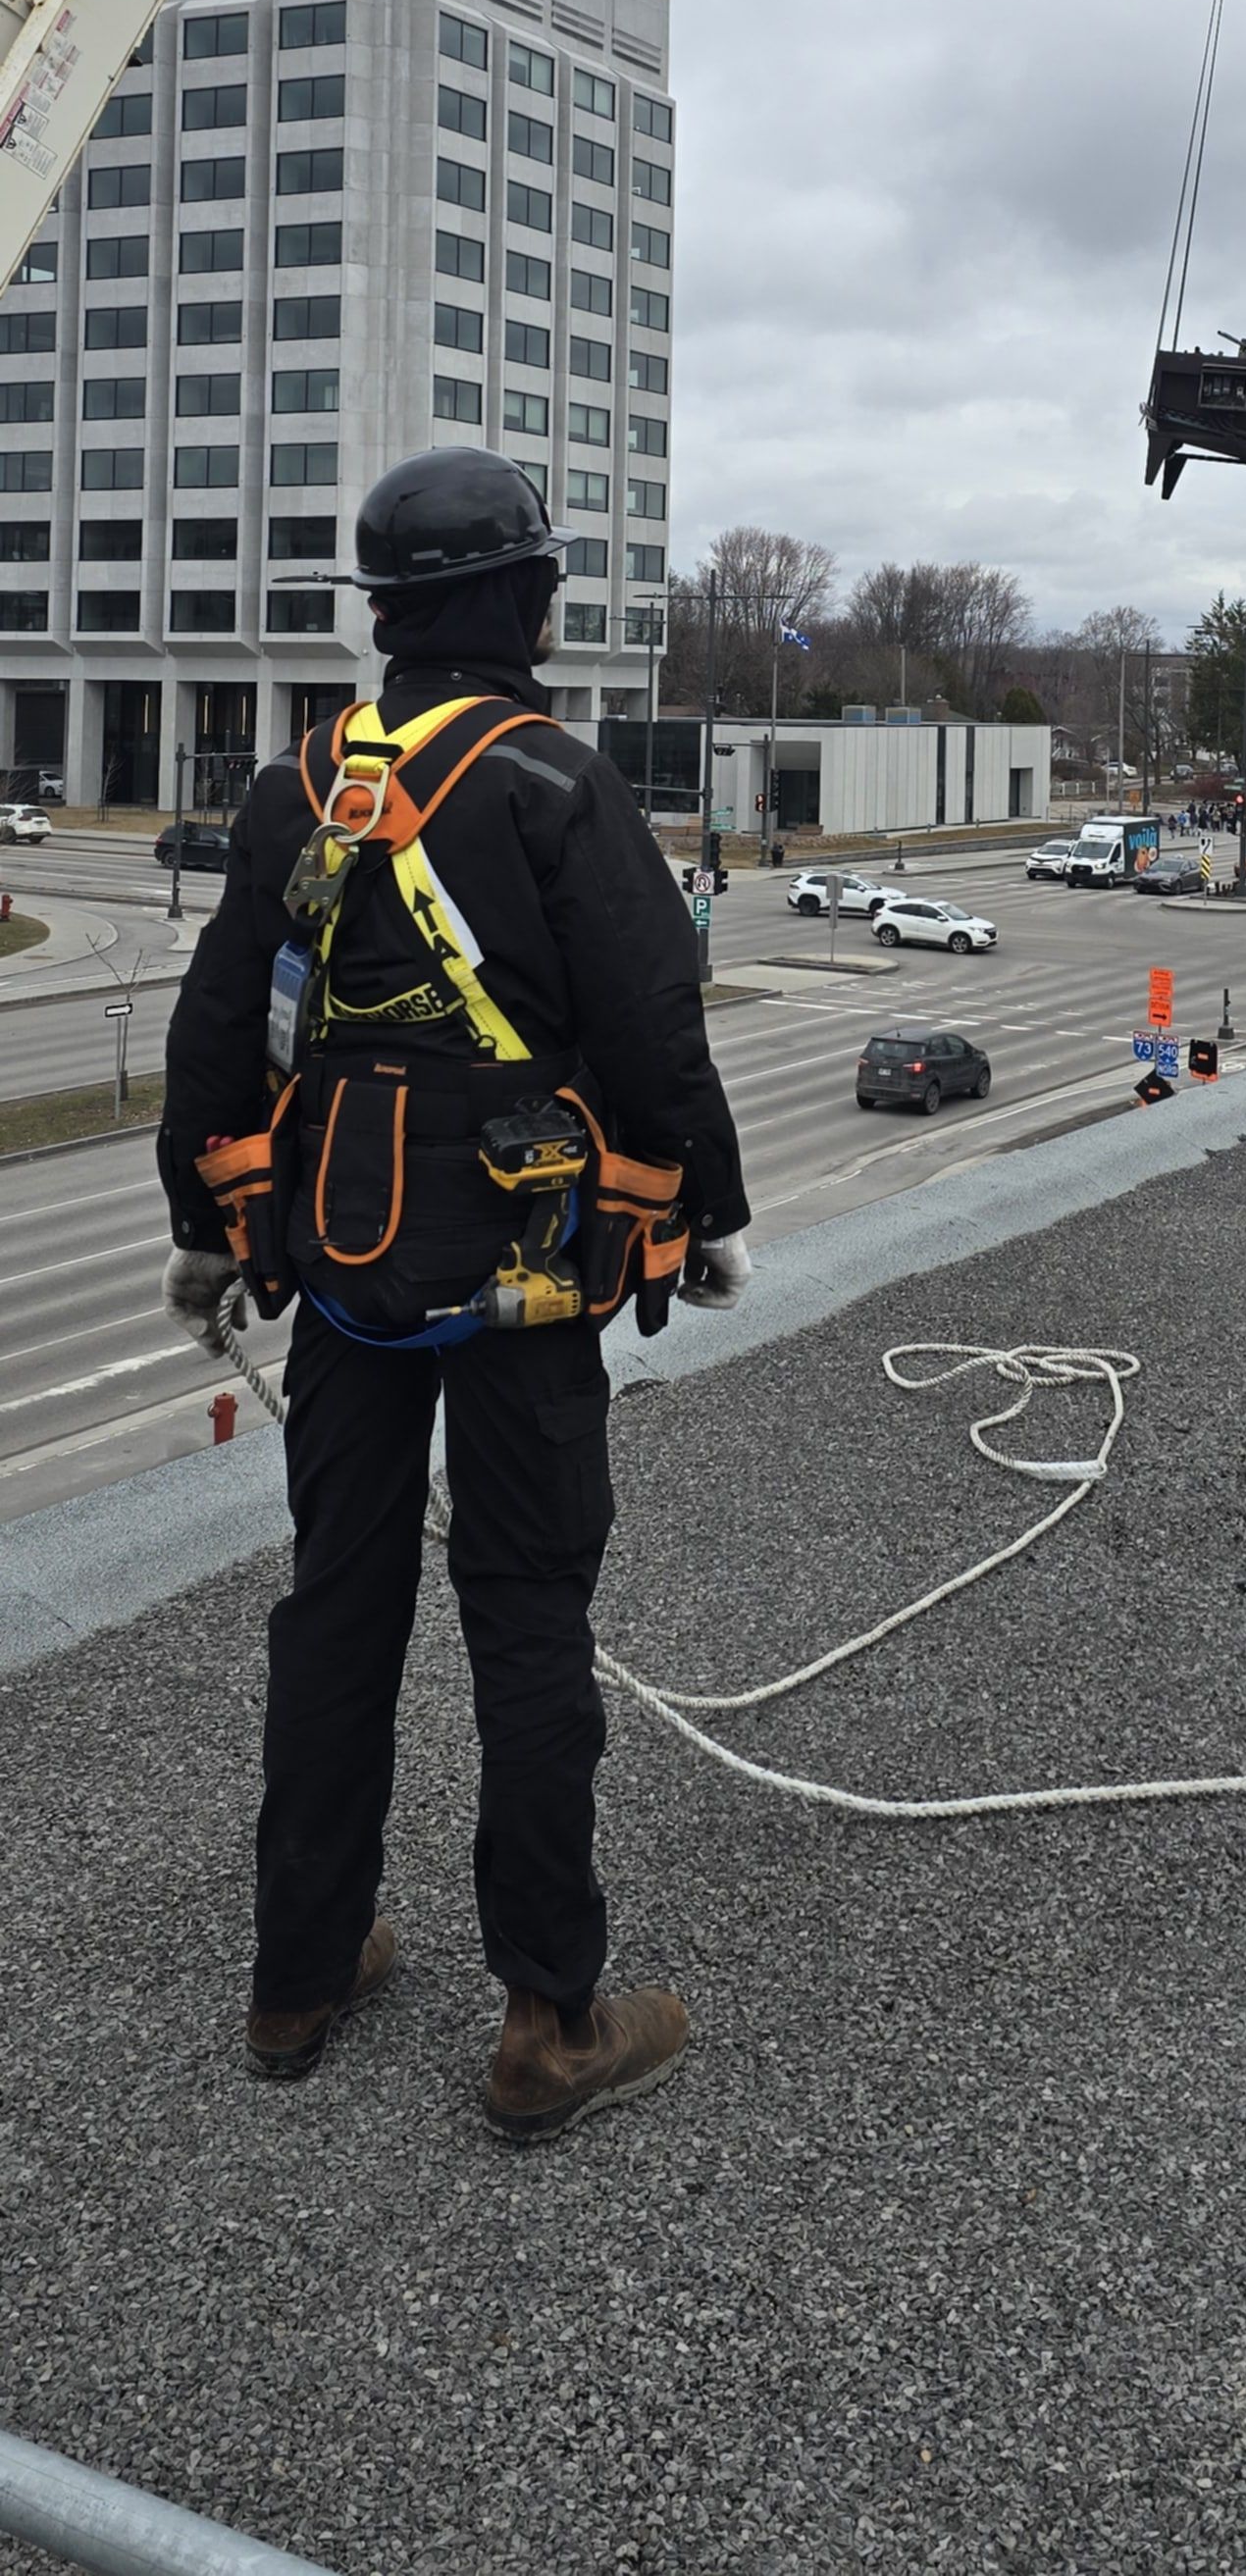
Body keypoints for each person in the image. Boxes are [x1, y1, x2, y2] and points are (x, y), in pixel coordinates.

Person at [159, 448, 751, 2143]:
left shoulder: (299, 794)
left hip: (340, 1283)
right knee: (527, 1622)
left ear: (393, 620)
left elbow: (217, 1037)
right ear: (516, 603)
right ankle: (551, 2023)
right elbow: (655, 1032)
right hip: (524, 1283)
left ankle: (302, 1971)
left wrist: (212, 1230)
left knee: (334, 1610)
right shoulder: (557, 788)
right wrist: (699, 1212)